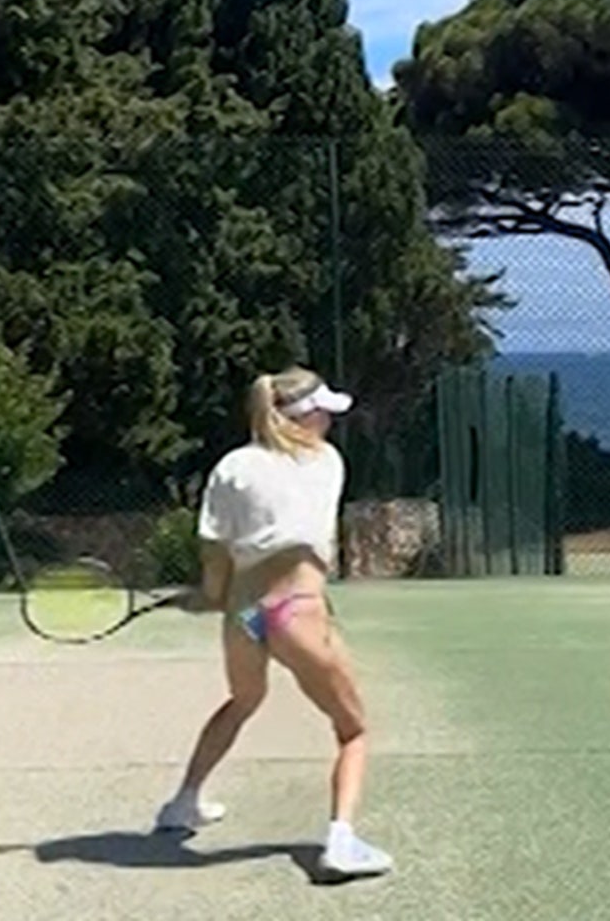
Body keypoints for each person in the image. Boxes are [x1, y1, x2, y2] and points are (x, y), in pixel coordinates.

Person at [152, 367, 393, 880]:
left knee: (243, 700)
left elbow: (215, 552)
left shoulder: (231, 467)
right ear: (302, 417)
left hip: (244, 613)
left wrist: (208, 596)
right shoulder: (326, 461)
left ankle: (183, 804)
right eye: (322, 411)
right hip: (297, 612)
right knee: (353, 730)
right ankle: (341, 844)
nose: (329, 419)